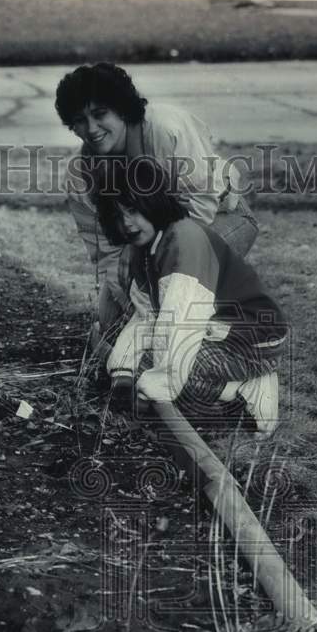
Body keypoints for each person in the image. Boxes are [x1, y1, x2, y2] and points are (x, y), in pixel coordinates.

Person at [55, 63, 258, 346]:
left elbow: (202, 206)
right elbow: (104, 251)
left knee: (169, 294)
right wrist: (125, 293)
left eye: (100, 114)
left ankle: (214, 336)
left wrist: (148, 268)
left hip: (220, 219)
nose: (91, 129)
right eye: (79, 120)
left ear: (122, 108)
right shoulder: (80, 173)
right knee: (110, 326)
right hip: (142, 244)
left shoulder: (165, 128)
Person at [94, 158, 287, 435]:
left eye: (133, 209)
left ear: (153, 200)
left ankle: (245, 389)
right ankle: (225, 385)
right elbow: (146, 315)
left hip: (252, 341)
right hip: (215, 328)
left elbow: (181, 325)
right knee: (132, 364)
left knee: (159, 373)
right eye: (116, 215)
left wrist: (153, 388)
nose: (126, 223)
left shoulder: (184, 242)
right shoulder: (145, 248)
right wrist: (122, 371)